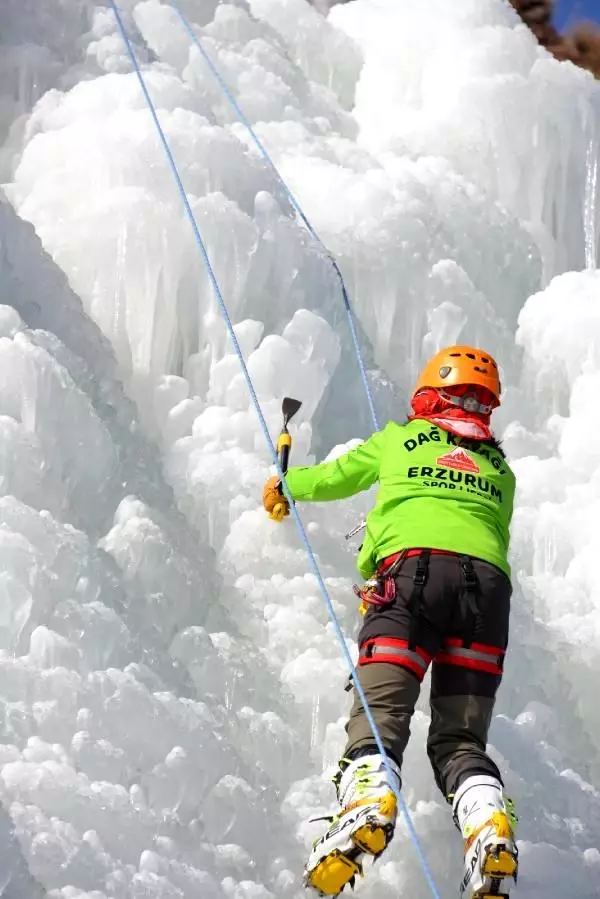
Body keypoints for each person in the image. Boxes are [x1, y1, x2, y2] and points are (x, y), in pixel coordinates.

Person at [262, 346, 519, 899]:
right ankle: (487, 822)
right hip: (487, 597)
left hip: (410, 581)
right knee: (460, 743)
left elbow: (335, 477)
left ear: (430, 392)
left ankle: (368, 802)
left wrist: (285, 483)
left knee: (380, 718)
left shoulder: (400, 439)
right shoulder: (500, 469)